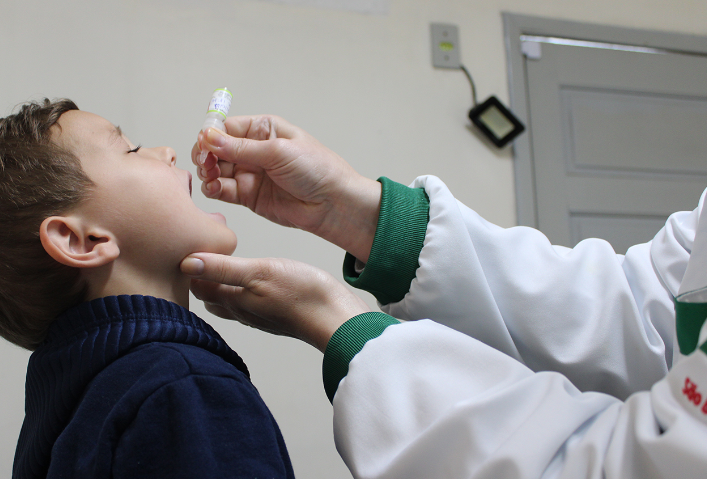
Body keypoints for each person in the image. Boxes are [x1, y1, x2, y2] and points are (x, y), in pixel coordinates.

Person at [179, 115, 707, 478]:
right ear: (91, 241)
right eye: (129, 148)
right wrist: (358, 214)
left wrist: (340, 324)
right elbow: (645, 311)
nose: (166, 154)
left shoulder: (185, 391)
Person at [0, 100, 294, 479]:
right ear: (81, 240)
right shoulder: (184, 389)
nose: (168, 153)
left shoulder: (66, 412)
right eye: (131, 150)